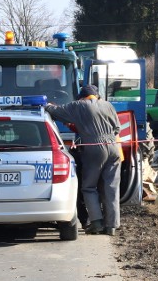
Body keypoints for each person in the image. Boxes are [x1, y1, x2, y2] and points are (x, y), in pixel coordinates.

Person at [45, 84, 121, 236]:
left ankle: (96, 223)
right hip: (114, 147)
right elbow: (117, 128)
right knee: (111, 187)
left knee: (89, 187)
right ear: (96, 95)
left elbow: (56, 111)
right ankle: (112, 225)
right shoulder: (108, 105)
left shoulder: (78, 105)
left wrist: (46, 105)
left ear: (82, 97)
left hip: (94, 148)